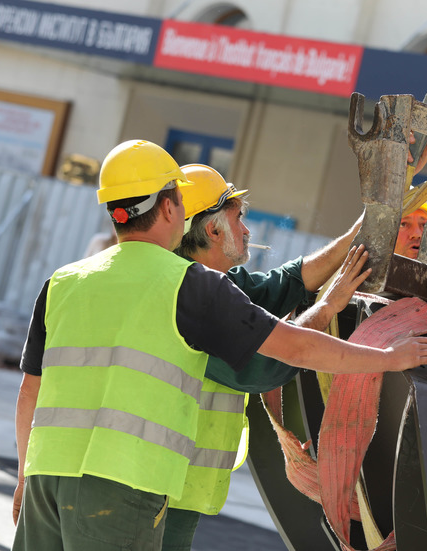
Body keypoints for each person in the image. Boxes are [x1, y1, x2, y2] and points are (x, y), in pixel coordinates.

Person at [11, 139, 427, 551]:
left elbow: (30, 390)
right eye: (236, 215)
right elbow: (285, 354)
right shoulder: (190, 288)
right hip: (130, 484)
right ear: (170, 207)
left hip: (46, 479)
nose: (246, 227)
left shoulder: (64, 282)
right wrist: (386, 356)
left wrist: (23, 479)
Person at [161, 163, 375, 549]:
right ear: (212, 230)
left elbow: (285, 285)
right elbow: (263, 369)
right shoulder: (191, 299)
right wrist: (327, 307)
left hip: (171, 482)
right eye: (238, 218)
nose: (246, 230)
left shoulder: (211, 284)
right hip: (159, 487)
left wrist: (365, 225)